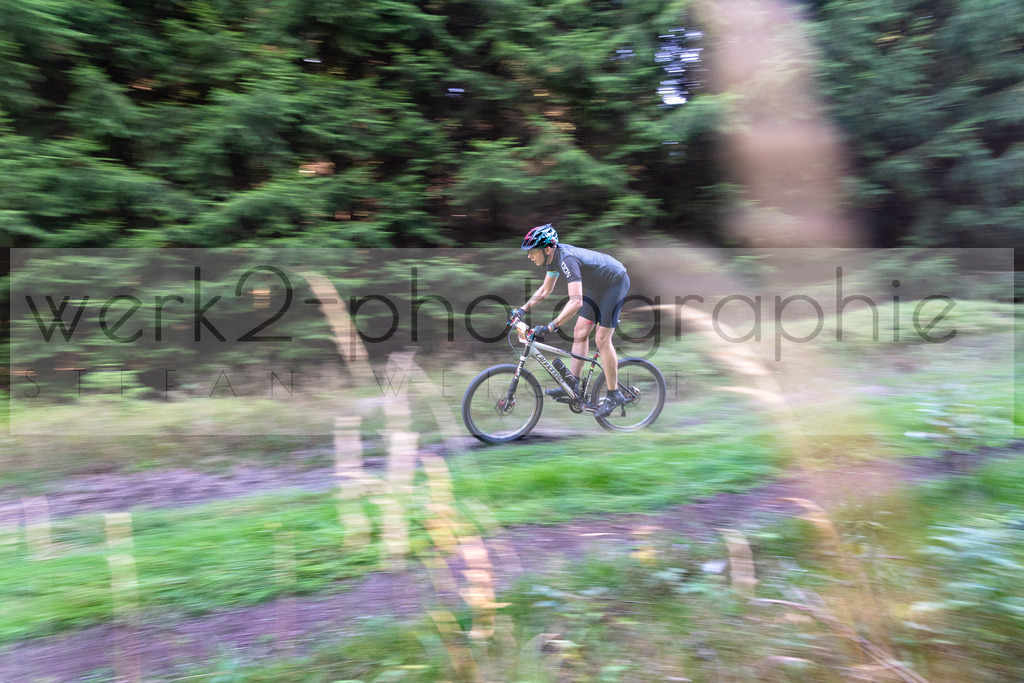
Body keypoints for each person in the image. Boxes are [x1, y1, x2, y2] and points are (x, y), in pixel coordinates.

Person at [510, 224, 630, 418]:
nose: (529, 256)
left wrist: (551, 326)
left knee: (601, 339)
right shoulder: (553, 260)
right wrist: (522, 310)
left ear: (547, 248)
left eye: (532, 251)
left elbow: (576, 302)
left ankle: (613, 394)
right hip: (600, 287)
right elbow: (545, 290)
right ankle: (573, 382)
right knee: (579, 332)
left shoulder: (566, 259)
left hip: (615, 282)